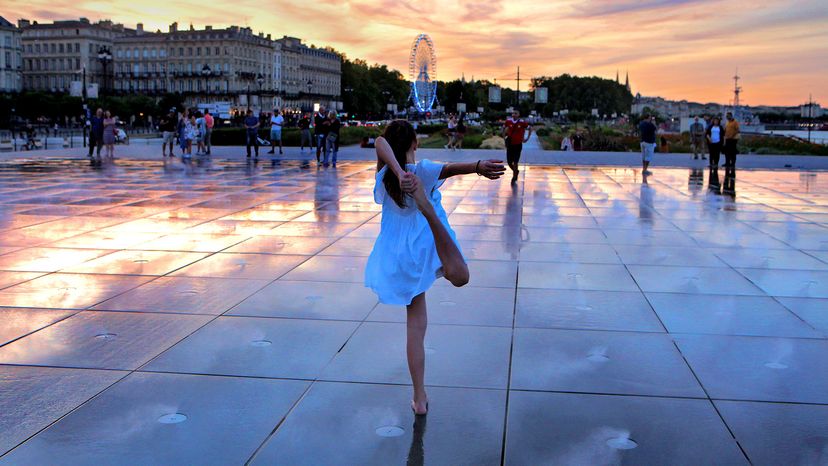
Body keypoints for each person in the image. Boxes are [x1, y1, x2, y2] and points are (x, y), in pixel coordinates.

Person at [365, 120, 505, 416]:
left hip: (399, 252)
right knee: (461, 277)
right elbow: (452, 169)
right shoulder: (420, 171)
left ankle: (419, 397)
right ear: (414, 143)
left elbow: (378, 142)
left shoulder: (385, 175)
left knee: (415, 326)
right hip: (426, 239)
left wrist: (398, 171)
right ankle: (427, 208)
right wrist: (478, 165)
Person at [502, 110, 532, 184]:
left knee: (515, 162)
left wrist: (527, 138)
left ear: (519, 114)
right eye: (513, 113)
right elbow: (503, 128)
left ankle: (514, 176)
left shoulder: (522, 122)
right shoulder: (508, 121)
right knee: (509, 162)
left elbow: (530, 128)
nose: (514, 114)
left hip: (518, 145)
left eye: (516, 113)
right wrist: (504, 138)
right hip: (510, 144)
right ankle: (516, 171)